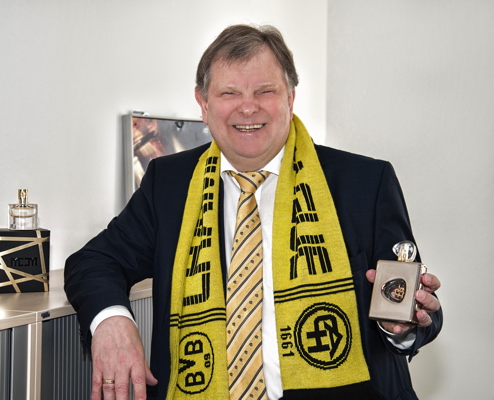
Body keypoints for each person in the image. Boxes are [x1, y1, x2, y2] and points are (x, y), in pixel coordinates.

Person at [65, 24, 442, 400]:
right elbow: (93, 261)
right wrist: (112, 322)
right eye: (229, 93)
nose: (248, 107)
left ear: (290, 98)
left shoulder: (365, 182)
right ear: (203, 103)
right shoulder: (168, 182)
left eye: (265, 91)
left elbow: (412, 301)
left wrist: (403, 325)